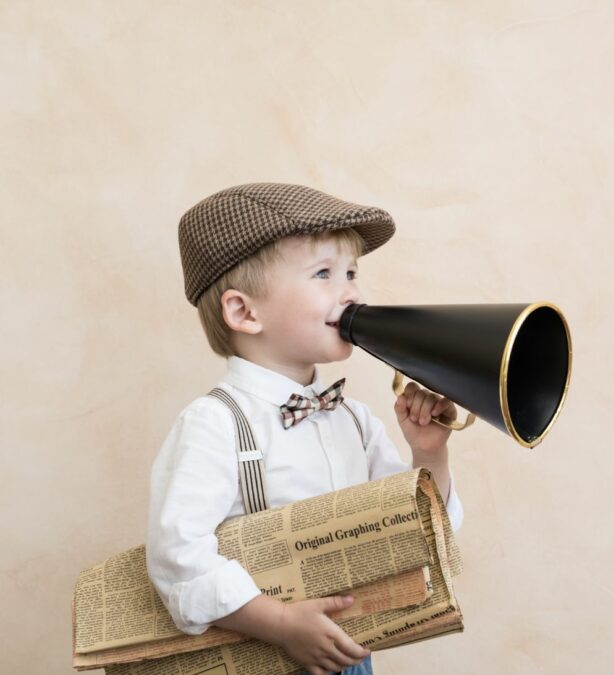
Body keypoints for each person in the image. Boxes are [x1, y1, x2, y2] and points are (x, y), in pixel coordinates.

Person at [146, 182, 463, 675]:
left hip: (349, 657)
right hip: (264, 656)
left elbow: (421, 534)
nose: (352, 292)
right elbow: (177, 558)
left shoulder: (355, 420)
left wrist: (429, 456)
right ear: (244, 312)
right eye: (323, 274)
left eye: (352, 273)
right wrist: (280, 624)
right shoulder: (214, 424)